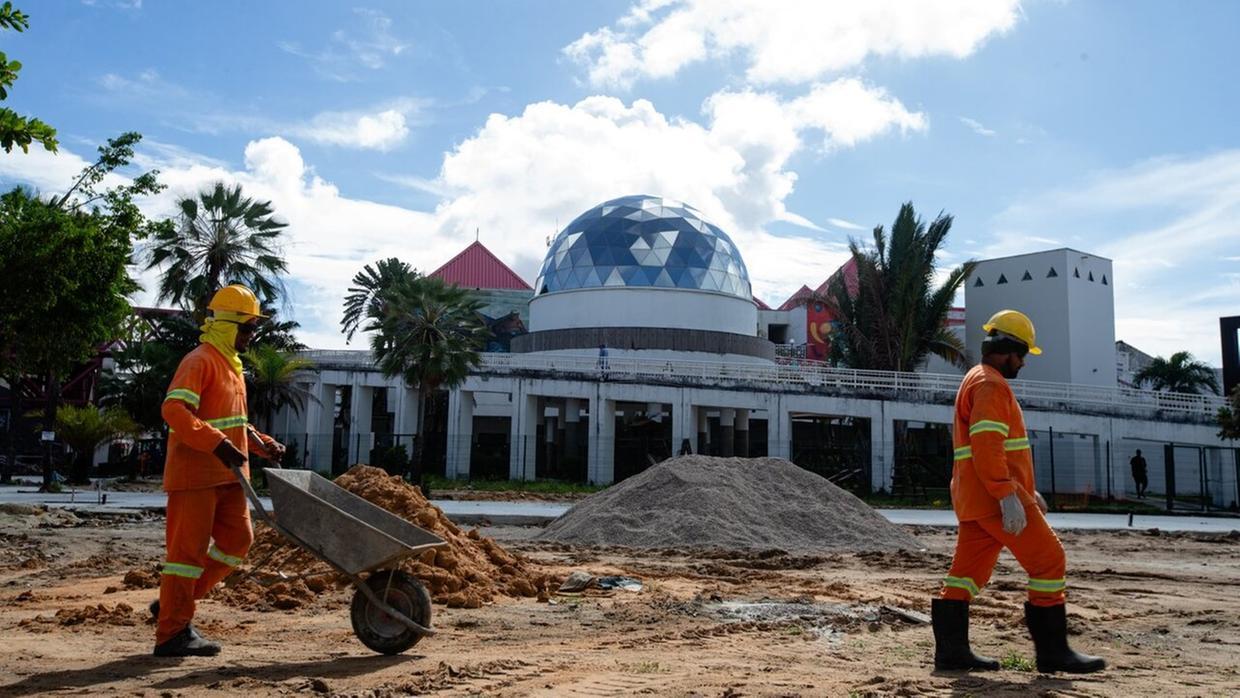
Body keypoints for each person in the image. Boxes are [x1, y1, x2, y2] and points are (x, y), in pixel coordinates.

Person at [931, 309, 1105, 674]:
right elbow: (988, 444)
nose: (1023, 363)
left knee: (965, 575)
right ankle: (1053, 653)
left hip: (975, 498)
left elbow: (987, 449)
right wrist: (1007, 493)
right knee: (1048, 560)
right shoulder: (992, 385)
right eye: (1022, 355)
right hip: (994, 497)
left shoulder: (976, 379)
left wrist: (1026, 491)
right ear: (1008, 350)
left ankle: (951, 654)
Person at [152, 285, 285, 657]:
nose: (251, 336)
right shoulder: (200, 361)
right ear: (228, 325)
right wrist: (215, 443)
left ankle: (174, 606)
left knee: (238, 541)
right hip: (195, 476)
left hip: (228, 476)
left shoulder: (232, 366)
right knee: (186, 556)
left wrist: (261, 443)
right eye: (247, 328)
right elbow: (175, 411)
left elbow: (233, 422)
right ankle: (171, 634)